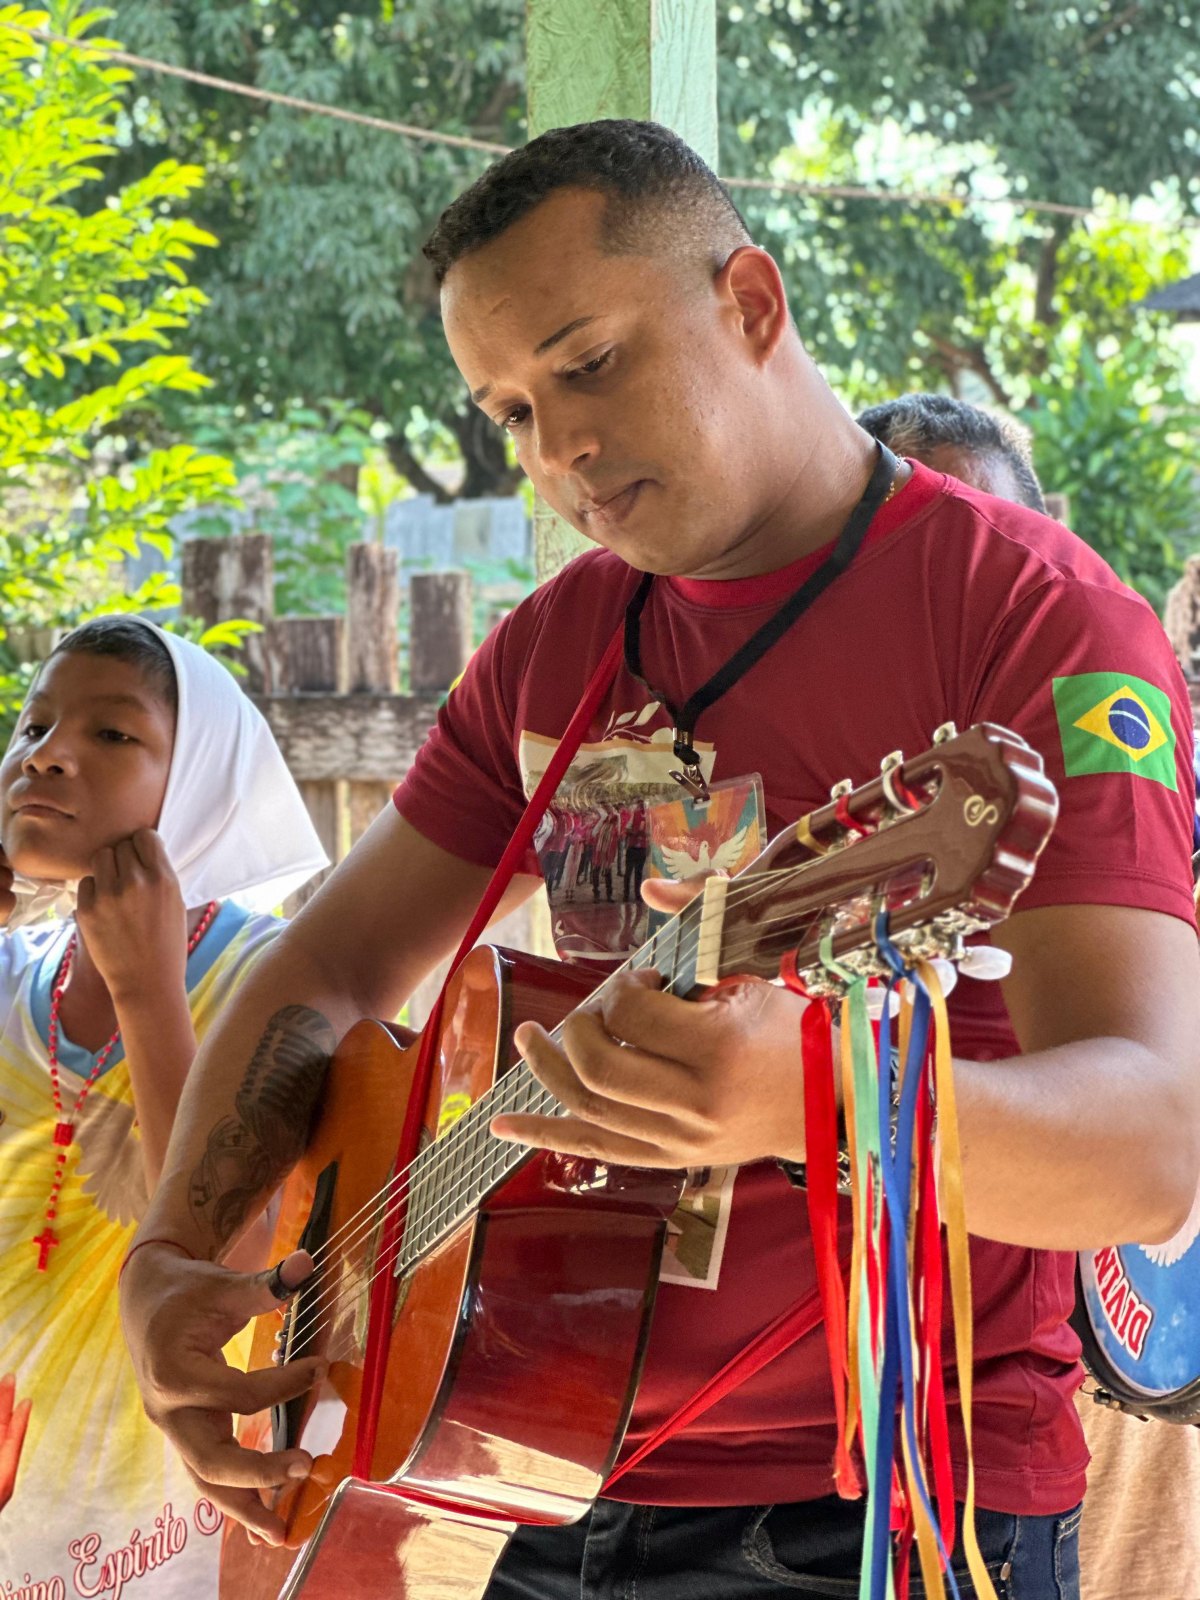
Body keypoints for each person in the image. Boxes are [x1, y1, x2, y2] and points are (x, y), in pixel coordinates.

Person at [118, 121, 1200, 1600]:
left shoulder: (1040, 624)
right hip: (528, 1472)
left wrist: (813, 1095)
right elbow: (327, 963)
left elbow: (1154, 1145)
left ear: (752, 305)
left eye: (589, 362)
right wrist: (176, 1250)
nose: (556, 448)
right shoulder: (557, 646)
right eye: (507, 408)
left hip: (883, 1509)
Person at [859, 391, 1200, 1600]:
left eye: (984, 546)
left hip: (1066, 1413)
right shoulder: (830, 814)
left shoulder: (1122, 758)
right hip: (895, 1447)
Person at [0, 616, 326, 1598]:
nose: (47, 755)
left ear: (199, 786)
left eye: (111, 735)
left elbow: (236, 1259)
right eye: (33, 723)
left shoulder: (275, 978)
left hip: (161, 1524)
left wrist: (147, 990)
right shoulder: (15, 973)